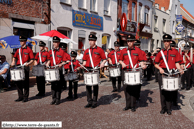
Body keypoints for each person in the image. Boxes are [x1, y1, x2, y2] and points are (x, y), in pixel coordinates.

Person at [154, 34, 184, 115]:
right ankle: (163, 108)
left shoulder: (175, 52)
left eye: (168, 41)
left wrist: (180, 69)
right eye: (165, 41)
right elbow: (155, 63)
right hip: (163, 72)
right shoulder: (160, 52)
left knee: (170, 91)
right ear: (163, 42)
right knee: (162, 91)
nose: (166, 42)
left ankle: (169, 108)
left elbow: (177, 63)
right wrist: (160, 69)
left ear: (170, 42)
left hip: (171, 72)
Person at [119, 34, 147, 112]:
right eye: (128, 41)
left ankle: (133, 106)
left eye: (131, 41)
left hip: (134, 72)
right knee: (126, 89)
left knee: (133, 90)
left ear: (134, 42)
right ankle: (127, 105)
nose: (129, 43)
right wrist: (122, 63)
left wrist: (143, 66)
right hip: (126, 72)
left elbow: (141, 61)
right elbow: (120, 59)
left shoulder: (137, 50)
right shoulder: (123, 51)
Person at [82, 34, 107, 109]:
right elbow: (84, 61)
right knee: (88, 86)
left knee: (95, 86)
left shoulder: (99, 50)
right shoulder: (86, 50)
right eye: (89, 40)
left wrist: (102, 63)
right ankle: (89, 101)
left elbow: (104, 58)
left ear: (95, 41)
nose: (90, 42)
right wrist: (82, 65)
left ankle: (95, 102)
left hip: (95, 69)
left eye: (91, 40)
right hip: (88, 70)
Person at [11, 35, 34, 102]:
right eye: (20, 41)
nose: (21, 42)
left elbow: (32, 59)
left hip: (25, 67)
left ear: (25, 41)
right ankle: (20, 96)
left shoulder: (29, 50)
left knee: (25, 82)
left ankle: (25, 97)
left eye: (22, 41)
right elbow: (14, 57)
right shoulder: (18, 50)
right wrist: (13, 62)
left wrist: (28, 63)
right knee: (18, 82)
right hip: (18, 67)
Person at [48, 36, 68, 105]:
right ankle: (53, 99)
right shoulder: (50, 51)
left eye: (56, 42)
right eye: (53, 42)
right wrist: (47, 64)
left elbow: (65, 61)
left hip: (58, 70)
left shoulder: (62, 51)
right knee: (53, 85)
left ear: (59, 43)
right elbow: (48, 60)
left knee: (58, 85)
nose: (54, 43)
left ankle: (58, 99)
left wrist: (61, 64)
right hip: (52, 69)